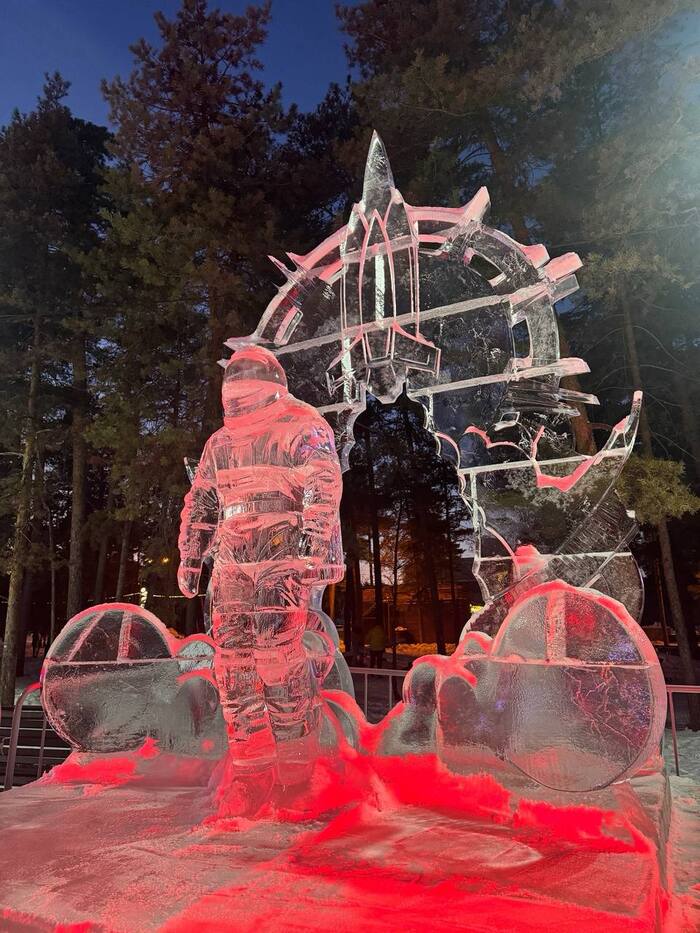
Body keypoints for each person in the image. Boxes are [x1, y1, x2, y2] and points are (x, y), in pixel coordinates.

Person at [178, 345, 343, 815]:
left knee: (276, 659)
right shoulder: (220, 443)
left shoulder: (301, 424)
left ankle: (296, 771)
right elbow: (203, 499)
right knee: (233, 667)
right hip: (234, 559)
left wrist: (313, 542)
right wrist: (192, 554)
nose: (239, 386)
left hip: (280, 554)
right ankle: (252, 771)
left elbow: (322, 482)